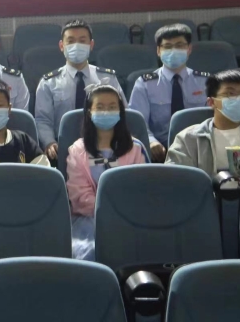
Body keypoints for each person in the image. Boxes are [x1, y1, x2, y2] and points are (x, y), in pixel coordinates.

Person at [66, 84, 148, 260]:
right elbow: (79, 197)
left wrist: (121, 213)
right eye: (100, 107)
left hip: (129, 218)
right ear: (89, 112)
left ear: (120, 112)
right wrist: (109, 212)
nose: (106, 112)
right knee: (91, 251)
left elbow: (140, 190)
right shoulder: (77, 150)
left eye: (112, 107)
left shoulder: (135, 148)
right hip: (87, 220)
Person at [35, 20, 124, 161]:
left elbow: (123, 113)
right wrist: (49, 142)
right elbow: (43, 120)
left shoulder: (108, 79)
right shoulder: (48, 83)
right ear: (61, 46)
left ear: (91, 45)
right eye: (70, 41)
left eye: (82, 41)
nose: (76, 45)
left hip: (105, 146)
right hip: (62, 149)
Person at [129, 24, 210, 162]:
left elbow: (213, 119)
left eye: (179, 45)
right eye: (167, 46)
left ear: (189, 49)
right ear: (158, 51)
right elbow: (138, 123)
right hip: (160, 151)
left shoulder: (205, 81)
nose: (174, 50)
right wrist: (151, 141)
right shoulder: (145, 83)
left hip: (199, 149)